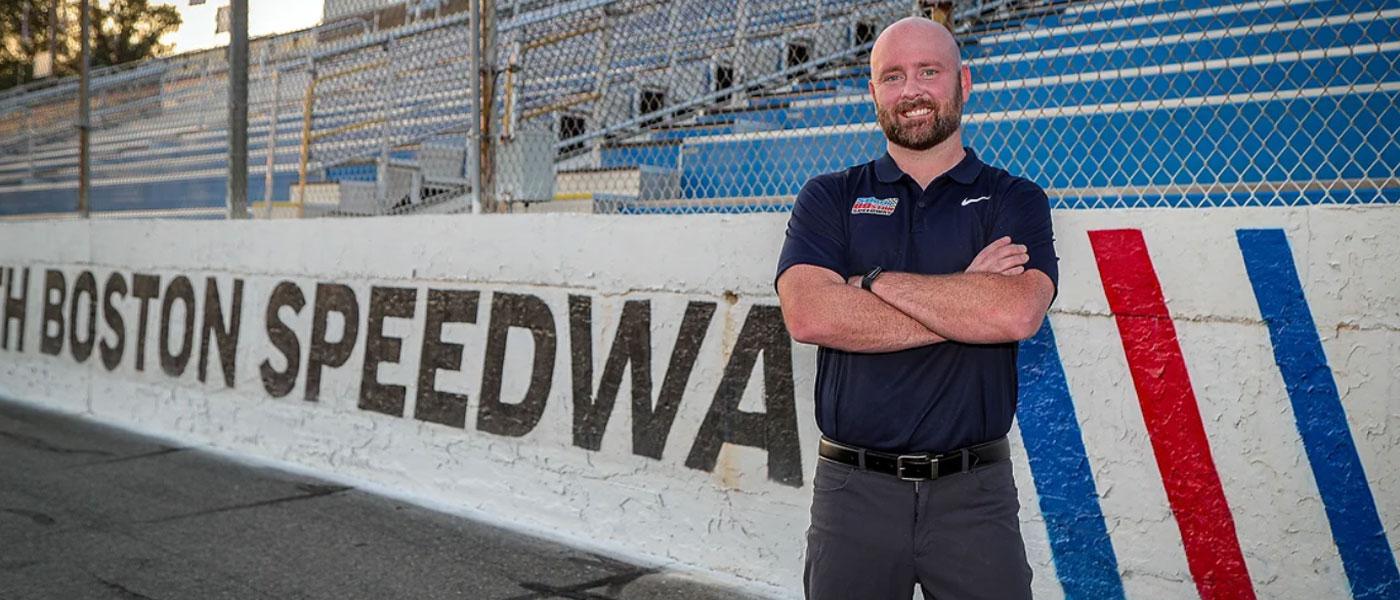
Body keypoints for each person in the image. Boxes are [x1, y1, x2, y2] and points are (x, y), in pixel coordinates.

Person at [774, 17, 1058, 600]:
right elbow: (811, 315)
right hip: (853, 495)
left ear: (964, 82)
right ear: (873, 92)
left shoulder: (1014, 198)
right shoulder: (830, 196)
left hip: (974, 497)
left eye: (929, 72)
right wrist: (963, 302)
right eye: (893, 76)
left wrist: (870, 282)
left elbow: (1015, 315)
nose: (912, 91)